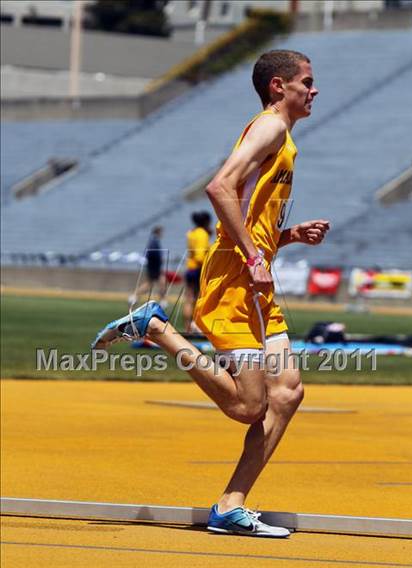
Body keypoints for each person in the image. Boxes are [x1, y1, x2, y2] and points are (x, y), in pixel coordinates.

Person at [92, 49, 330, 538]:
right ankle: (156, 329)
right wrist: (256, 257)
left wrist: (286, 236)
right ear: (278, 88)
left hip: (253, 279)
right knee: (248, 406)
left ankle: (229, 507)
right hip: (236, 281)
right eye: (306, 81)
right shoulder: (270, 128)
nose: (314, 90)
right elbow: (219, 188)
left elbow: (247, 214)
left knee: (286, 394)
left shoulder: (283, 141)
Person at [184, 211, 212, 332]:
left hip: (190, 268)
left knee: (189, 298)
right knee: (198, 298)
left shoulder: (192, 233)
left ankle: (188, 327)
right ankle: (196, 325)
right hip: (198, 269)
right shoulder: (202, 234)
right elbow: (200, 256)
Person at [132, 226, 166, 305]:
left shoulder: (153, 240)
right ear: (158, 232)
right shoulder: (154, 241)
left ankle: (135, 296)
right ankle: (162, 301)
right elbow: (152, 253)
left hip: (153, 266)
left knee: (154, 283)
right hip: (154, 266)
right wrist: (159, 259)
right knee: (157, 283)